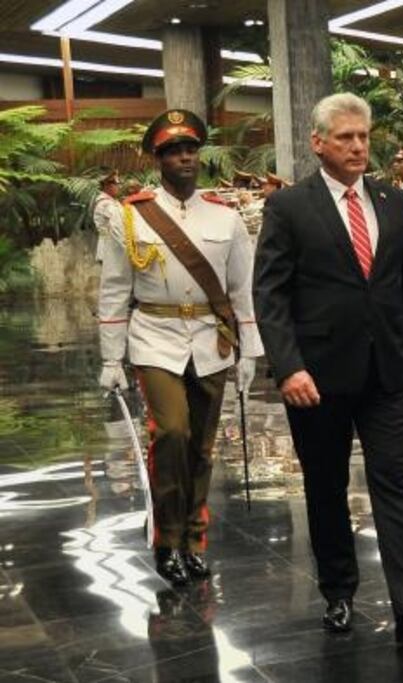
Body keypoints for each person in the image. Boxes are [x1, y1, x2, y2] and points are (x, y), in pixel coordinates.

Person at [253, 92, 403, 642]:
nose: (358, 146)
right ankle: (339, 593)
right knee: (326, 484)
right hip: (316, 377)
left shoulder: (390, 201)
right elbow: (269, 294)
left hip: (389, 372)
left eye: (363, 136)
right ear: (318, 143)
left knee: (394, 481)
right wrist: (288, 367)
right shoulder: (289, 206)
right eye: (345, 137)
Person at [96, 109, 262, 586]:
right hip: (155, 337)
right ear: (158, 158)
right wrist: (111, 357)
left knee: (203, 447)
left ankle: (194, 540)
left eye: (190, 148)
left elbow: (241, 290)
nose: (184, 156)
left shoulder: (226, 217)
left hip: (212, 340)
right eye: (173, 150)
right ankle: (166, 540)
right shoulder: (131, 217)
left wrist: (249, 350)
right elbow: (113, 289)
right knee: (170, 433)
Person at [92, 169, 122, 262]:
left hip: (113, 247)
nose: (118, 187)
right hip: (109, 248)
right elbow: (119, 223)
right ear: (107, 186)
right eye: (116, 184)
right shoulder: (105, 204)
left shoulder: (112, 202)